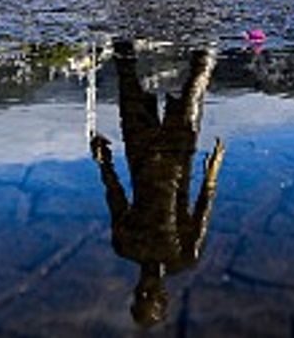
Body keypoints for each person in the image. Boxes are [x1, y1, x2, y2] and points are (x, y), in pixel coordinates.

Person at [91, 42, 225, 327]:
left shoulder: (125, 245)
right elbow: (203, 208)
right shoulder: (186, 255)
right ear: (163, 296)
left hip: (139, 153)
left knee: (125, 68)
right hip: (179, 154)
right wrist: (212, 171)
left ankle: (125, 8)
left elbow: (115, 196)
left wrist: (104, 163)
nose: (144, 289)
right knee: (198, 76)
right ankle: (209, 17)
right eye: (149, 296)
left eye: (140, 295)